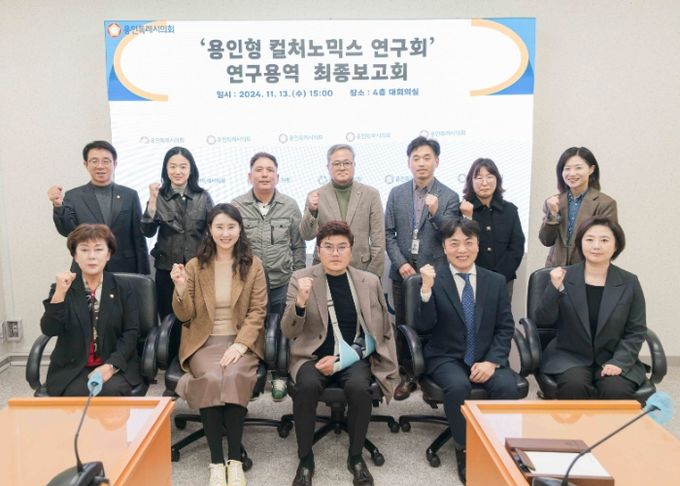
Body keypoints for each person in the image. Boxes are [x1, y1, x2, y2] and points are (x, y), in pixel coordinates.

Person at [281, 221, 398, 486]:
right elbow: (288, 331)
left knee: (360, 388)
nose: (335, 253)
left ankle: (355, 457)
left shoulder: (369, 281)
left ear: (351, 250)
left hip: (354, 356)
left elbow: (380, 329)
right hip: (312, 356)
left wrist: (344, 358)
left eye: (342, 247)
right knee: (306, 387)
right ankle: (305, 459)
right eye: (328, 247)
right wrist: (300, 302)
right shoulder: (301, 278)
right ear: (318, 251)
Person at [417, 218, 521, 484]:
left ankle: (500, 446)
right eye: (454, 243)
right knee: (458, 386)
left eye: (468, 242)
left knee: (508, 386)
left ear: (477, 245)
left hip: (486, 356)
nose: (461, 249)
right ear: (444, 247)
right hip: (446, 356)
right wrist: (426, 290)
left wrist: (493, 361)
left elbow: (504, 327)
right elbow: (423, 327)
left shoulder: (495, 281)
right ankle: (464, 449)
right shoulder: (435, 279)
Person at [171, 203, 267, 486]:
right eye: (219, 227)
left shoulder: (253, 264)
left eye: (231, 227)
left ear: (240, 229)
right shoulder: (194, 266)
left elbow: (258, 311)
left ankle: (234, 460)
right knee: (213, 377)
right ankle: (216, 462)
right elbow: (185, 315)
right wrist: (180, 288)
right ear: (210, 230)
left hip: (240, 341)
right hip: (204, 342)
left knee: (234, 375)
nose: (225, 233)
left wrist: (240, 346)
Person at [535, 216, 646, 400]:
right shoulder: (563, 276)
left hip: (613, 355)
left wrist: (619, 362)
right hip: (569, 356)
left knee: (616, 389)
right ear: (581, 243)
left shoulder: (629, 282)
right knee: (574, 386)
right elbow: (543, 320)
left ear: (616, 246)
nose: (596, 246)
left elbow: (636, 330)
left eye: (604, 240)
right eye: (589, 239)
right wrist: (554, 289)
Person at [384, 135, 460, 400]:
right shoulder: (396, 194)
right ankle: (407, 375)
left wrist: (436, 212)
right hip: (403, 274)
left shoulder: (449, 196)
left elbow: (451, 235)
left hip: (435, 273)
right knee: (404, 325)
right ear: (409, 163)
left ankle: (430, 376)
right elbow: (388, 234)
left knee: (435, 324)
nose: (421, 163)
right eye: (416, 158)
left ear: (436, 161)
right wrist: (401, 263)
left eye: (427, 157)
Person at [232, 151, 306, 401]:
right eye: (259, 170)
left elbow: (298, 245)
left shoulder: (289, 205)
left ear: (277, 176)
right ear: (249, 176)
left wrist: (296, 278)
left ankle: (280, 374)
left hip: (282, 281)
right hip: (249, 284)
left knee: (283, 331)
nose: (264, 174)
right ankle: (254, 375)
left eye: (269, 170)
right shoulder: (237, 206)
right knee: (252, 329)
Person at [40, 224, 141, 397]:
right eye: (84, 250)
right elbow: (49, 329)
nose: (92, 256)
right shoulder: (63, 288)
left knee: (111, 392)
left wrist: (111, 366)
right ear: (75, 256)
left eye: (99, 249)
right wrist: (59, 294)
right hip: (73, 367)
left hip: (114, 364)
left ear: (108, 254)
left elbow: (131, 333)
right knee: (76, 394)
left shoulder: (124, 288)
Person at [47, 140, 150, 274]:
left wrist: (144, 274)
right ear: (86, 164)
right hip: (87, 267)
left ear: (115, 164)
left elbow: (138, 238)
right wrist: (58, 205)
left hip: (124, 268)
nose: (100, 166)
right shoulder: (74, 196)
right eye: (94, 161)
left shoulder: (129, 195)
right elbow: (67, 231)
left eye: (106, 161)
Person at [141, 146, 214, 320]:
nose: (177, 171)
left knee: (197, 317)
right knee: (169, 317)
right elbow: (147, 231)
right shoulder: (158, 196)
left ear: (191, 169)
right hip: (167, 268)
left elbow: (212, 231)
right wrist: (152, 201)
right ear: (166, 170)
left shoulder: (203, 196)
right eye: (172, 166)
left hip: (197, 267)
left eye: (183, 166)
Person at [300, 144, 385, 277]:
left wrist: (373, 276)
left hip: (362, 270)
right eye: (336, 164)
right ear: (328, 167)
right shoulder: (315, 196)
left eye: (347, 163)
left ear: (354, 165)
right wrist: (312, 211)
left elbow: (378, 239)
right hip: (325, 271)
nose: (342, 167)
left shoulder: (371, 194)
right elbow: (307, 235)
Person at [539, 146, 617, 267]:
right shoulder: (554, 202)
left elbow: (606, 243)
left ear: (591, 169)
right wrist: (553, 215)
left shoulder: (605, 203)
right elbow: (546, 240)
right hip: (556, 270)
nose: (572, 173)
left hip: (588, 270)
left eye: (578, 168)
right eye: (567, 169)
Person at [459, 158, 525, 298]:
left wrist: (498, 277)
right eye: (479, 178)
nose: (484, 182)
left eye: (489, 176)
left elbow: (517, 246)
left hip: (503, 280)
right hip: (470, 279)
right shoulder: (462, 209)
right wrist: (467, 218)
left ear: (497, 180)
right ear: (470, 181)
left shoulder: (510, 210)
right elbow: (459, 246)